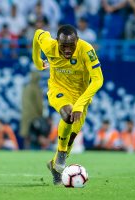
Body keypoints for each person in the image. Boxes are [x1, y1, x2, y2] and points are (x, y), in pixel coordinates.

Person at [32, 24, 104, 185]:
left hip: (80, 95)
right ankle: (61, 156)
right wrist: (37, 61)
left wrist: (80, 104)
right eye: (63, 46)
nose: (67, 50)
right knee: (68, 114)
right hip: (58, 89)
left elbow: (98, 79)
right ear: (57, 41)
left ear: (77, 41)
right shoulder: (49, 45)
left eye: (71, 46)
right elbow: (37, 34)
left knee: (71, 137)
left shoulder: (86, 50)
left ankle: (54, 165)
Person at [20, 71, 43, 149]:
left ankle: (26, 151)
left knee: (26, 135)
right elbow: (39, 104)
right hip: (34, 115)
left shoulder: (26, 87)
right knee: (34, 135)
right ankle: (32, 151)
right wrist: (40, 114)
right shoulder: (36, 88)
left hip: (25, 115)